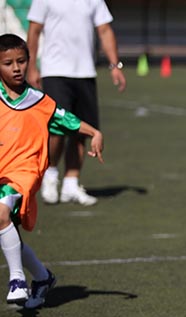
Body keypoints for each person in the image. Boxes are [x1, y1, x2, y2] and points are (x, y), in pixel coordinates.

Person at [0, 34, 103, 309]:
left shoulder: (37, 100)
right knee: (5, 229)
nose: (17, 68)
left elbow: (65, 119)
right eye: (8, 63)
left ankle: (17, 279)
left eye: (21, 61)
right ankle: (43, 278)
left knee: (0, 213)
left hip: (24, 172)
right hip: (2, 172)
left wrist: (93, 131)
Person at [26, 0, 126, 206]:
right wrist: (31, 67)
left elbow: (105, 30)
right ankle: (51, 175)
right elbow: (34, 31)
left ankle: (71, 184)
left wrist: (115, 65)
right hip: (55, 71)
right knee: (57, 129)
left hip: (85, 72)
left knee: (83, 131)